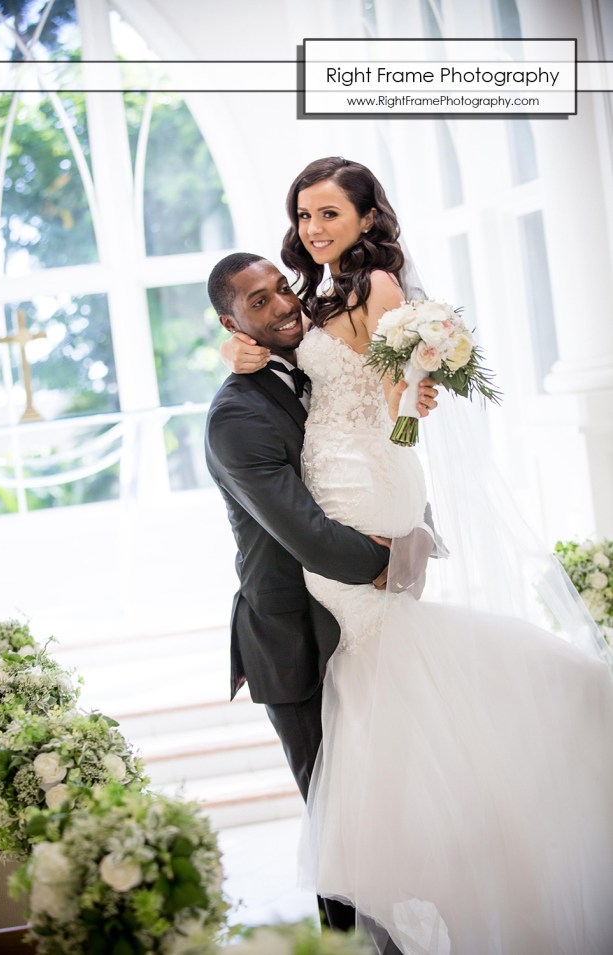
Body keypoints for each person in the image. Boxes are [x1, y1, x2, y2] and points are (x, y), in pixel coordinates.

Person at [220, 156, 613, 955]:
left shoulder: (377, 291)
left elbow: (394, 405)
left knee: (382, 666)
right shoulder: (315, 308)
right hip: (330, 518)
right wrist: (241, 355)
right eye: (302, 216)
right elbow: (308, 372)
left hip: (359, 491)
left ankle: (408, 884)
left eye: (328, 214)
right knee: (382, 673)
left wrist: (404, 412)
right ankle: (394, 900)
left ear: (367, 218)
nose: (313, 230)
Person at [204, 251, 439, 936]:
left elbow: (377, 441)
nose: (282, 304)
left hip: (356, 615)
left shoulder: (310, 359)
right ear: (231, 322)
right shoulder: (235, 417)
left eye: (282, 288)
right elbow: (306, 534)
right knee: (339, 826)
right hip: (294, 638)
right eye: (257, 301)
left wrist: (409, 411)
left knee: (388, 802)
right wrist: (395, 562)